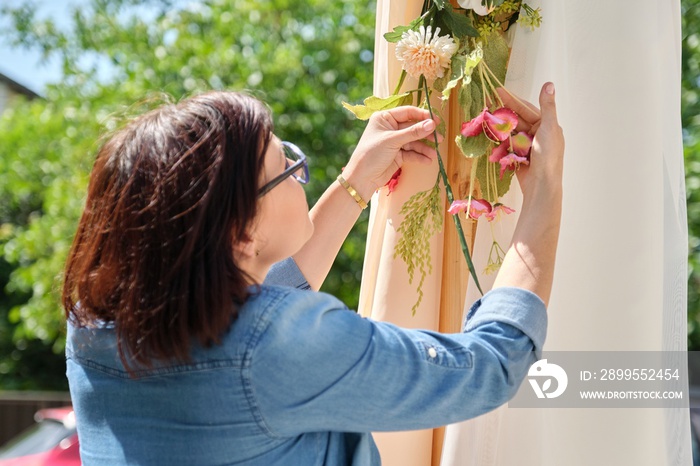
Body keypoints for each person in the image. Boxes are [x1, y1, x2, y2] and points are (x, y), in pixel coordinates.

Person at [63, 82, 564, 465]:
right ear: (241, 235)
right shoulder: (274, 348)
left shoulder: (95, 323)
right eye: (288, 167)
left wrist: (356, 182)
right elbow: (490, 366)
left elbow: (239, 325)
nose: (303, 174)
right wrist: (545, 191)